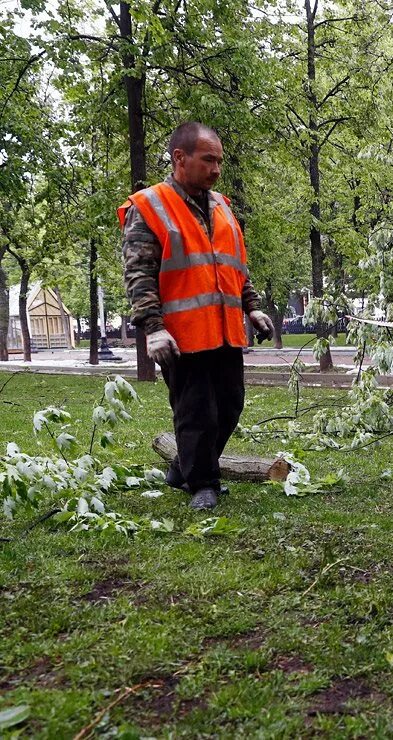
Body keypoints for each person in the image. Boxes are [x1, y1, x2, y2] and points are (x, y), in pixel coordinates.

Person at [119, 122, 274, 510]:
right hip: (181, 335)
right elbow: (139, 275)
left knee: (230, 404)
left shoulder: (221, 205)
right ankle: (202, 483)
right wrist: (153, 329)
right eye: (208, 160)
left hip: (223, 329)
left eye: (219, 161)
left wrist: (251, 306)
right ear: (179, 158)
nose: (216, 169)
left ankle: (182, 467)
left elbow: (234, 264)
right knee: (196, 411)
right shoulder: (150, 206)